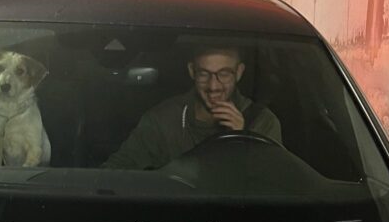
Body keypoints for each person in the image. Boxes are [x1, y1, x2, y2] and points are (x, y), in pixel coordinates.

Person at [104, 45, 281, 170]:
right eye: (204, 74)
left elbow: (275, 186)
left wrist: (242, 140)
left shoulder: (262, 122)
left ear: (239, 72)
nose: (213, 86)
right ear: (191, 71)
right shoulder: (164, 119)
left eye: (224, 74)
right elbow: (115, 171)